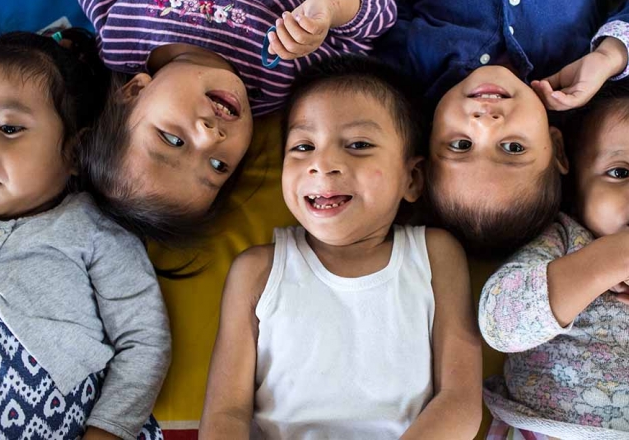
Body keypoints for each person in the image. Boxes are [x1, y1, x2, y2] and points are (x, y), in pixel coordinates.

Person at [198, 56, 482, 439]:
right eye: (302, 147)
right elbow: (225, 413)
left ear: (411, 179)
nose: (323, 163)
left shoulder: (434, 256)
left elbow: (461, 402)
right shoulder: (258, 271)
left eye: (359, 144)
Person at [366, 0, 629, 255]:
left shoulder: (413, 68)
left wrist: (335, 5)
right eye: (513, 147)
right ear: (558, 148)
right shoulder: (579, 78)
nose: (485, 121)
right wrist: (608, 57)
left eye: (461, 145)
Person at [73, 0, 397, 245]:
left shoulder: (120, 33)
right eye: (218, 166)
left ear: (132, 92)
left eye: (173, 139)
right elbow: (380, 8)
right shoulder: (282, 75)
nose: (211, 137)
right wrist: (330, 9)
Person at [0, 30, 171, 440]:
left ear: (75, 152)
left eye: (9, 128)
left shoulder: (95, 230)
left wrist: (109, 429)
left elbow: (143, 340)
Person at [478, 68, 629, 438]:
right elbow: (499, 323)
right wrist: (612, 259)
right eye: (620, 172)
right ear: (577, 185)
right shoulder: (565, 240)